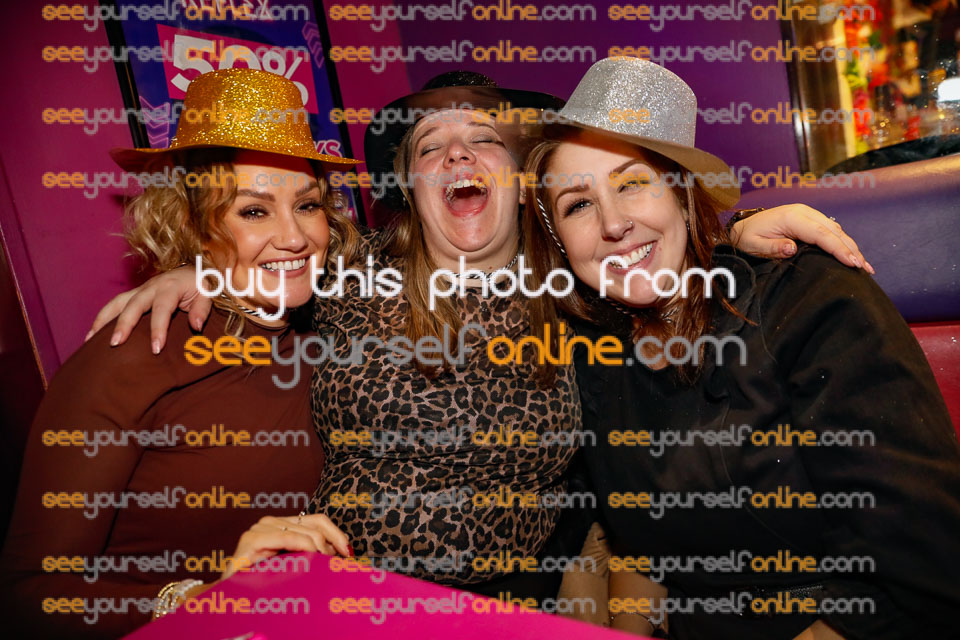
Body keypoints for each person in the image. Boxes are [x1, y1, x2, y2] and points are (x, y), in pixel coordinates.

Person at [88, 70, 874, 606]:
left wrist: (732, 230)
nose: (457, 154)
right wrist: (187, 270)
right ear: (409, 186)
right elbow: (273, 249)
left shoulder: (576, 290)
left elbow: (642, 242)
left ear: (526, 183)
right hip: (343, 594)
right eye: (430, 146)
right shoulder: (352, 275)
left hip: (509, 608)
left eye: (485, 139)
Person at [523, 57, 960, 639]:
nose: (613, 223)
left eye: (632, 183)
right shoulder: (595, 357)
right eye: (577, 204)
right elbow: (639, 549)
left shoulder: (809, 297)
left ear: (682, 192)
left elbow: (919, 559)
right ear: (559, 242)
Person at [0, 69, 356, 639]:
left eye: (307, 205)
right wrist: (204, 603)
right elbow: (26, 597)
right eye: (254, 210)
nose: (294, 237)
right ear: (195, 223)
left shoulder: (330, 328)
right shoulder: (131, 354)